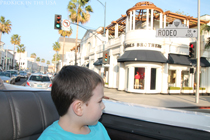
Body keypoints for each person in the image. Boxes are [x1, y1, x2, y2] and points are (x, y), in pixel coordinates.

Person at [38, 66, 110, 140]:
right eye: (100, 101)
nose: (103, 106)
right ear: (79, 108)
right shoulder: (49, 138)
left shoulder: (99, 128)